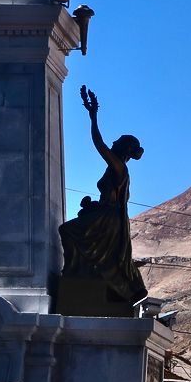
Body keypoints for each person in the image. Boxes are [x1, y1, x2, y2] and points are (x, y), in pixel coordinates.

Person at [57, 85, 148, 306]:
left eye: (118, 141)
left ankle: (75, 277)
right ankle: (79, 276)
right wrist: (93, 205)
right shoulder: (117, 169)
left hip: (108, 220)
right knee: (76, 237)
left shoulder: (118, 166)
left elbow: (99, 144)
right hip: (107, 216)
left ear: (124, 148)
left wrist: (93, 117)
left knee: (67, 230)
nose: (114, 142)